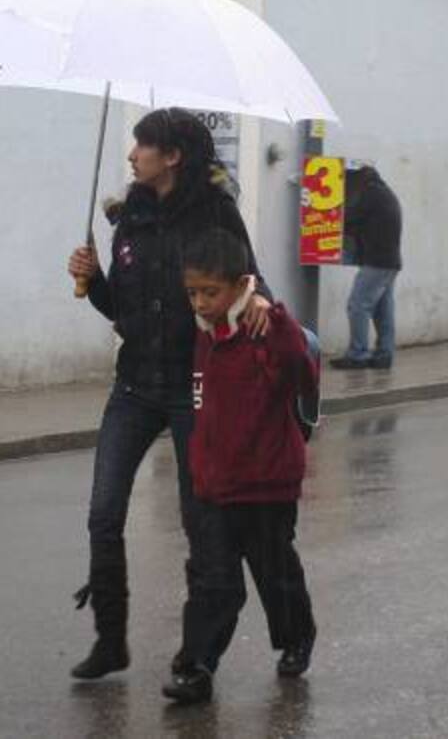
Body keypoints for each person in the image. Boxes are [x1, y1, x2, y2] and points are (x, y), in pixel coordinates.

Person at [66, 108, 273, 680]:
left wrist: (255, 301)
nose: (132, 155)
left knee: (200, 521)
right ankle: (111, 641)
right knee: (103, 516)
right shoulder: (128, 216)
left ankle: (197, 657)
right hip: (133, 386)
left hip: (195, 389)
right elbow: (123, 310)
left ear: (173, 155)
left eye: (142, 146)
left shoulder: (215, 213)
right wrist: (94, 283)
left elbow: (250, 284)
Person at [163, 229, 317, 704]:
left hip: (265, 486)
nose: (201, 302)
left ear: (240, 285)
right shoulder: (201, 334)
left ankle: (296, 639)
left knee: (276, 575)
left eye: (211, 292)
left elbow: (299, 370)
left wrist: (275, 315)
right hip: (213, 485)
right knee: (213, 582)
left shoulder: (263, 329)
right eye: (193, 292)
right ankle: (196, 667)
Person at [330, 164, 402, 369]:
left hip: (377, 262)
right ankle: (384, 354)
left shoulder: (371, 194)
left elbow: (349, 218)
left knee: (357, 305)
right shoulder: (384, 193)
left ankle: (358, 354)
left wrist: (322, 215)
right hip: (390, 262)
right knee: (383, 309)